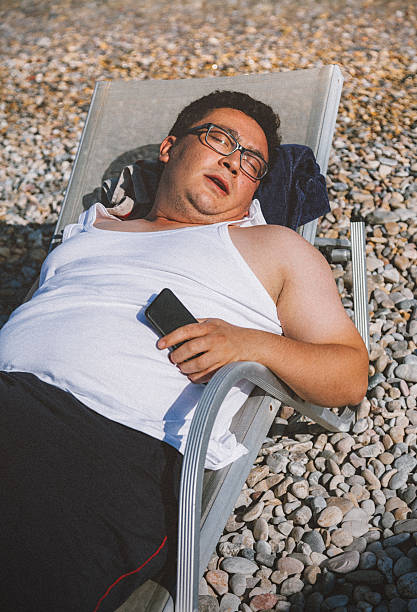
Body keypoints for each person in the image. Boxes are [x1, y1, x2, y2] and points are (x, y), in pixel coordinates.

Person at [0, 90, 368, 611]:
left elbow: (350, 374)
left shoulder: (274, 248)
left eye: (253, 162)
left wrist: (251, 343)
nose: (234, 162)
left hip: (111, 443)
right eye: (219, 139)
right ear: (170, 148)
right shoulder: (92, 230)